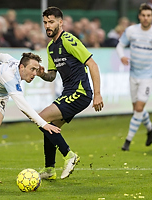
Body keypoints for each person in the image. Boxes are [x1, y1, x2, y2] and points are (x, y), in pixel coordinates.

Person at [0, 43, 61, 185]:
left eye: (36, 69)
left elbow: (3, 56)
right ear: (22, 67)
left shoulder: (15, 62)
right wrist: (43, 123)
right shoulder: (9, 76)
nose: (34, 73)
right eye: (32, 69)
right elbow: (22, 105)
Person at [36, 6, 104, 180]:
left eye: (51, 22)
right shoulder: (51, 47)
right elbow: (52, 76)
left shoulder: (68, 40)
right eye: (45, 23)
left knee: (41, 119)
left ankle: (69, 155)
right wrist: (41, 73)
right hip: (69, 92)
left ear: (61, 22)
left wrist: (97, 94)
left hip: (80, 92)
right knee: (50, 126)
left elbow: (93, 65)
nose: (47, 26)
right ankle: (49, 170)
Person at [116, 3, 152, 151]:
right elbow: (120, 45)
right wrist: (122, 56)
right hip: (133, 74)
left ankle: (127, 142)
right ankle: (150, 128)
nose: (146, 18)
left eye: (149, 15)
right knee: (137, 109)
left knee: (139, 107)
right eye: (143, 15)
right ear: (139, 16)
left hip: (149, 76)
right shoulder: (131, 31)